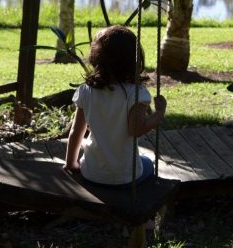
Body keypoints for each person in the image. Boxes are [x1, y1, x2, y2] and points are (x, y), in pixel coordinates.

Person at [63, 25, 167, 187]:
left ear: (96, 58)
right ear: (134, 60)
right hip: (125, 177)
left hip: (91, 173)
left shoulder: (86, 91)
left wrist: (71, 163)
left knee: (140, 161)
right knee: (148, 163)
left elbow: (76, 132)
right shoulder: (136, 93)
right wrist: (159, 114)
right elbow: (136, 130)